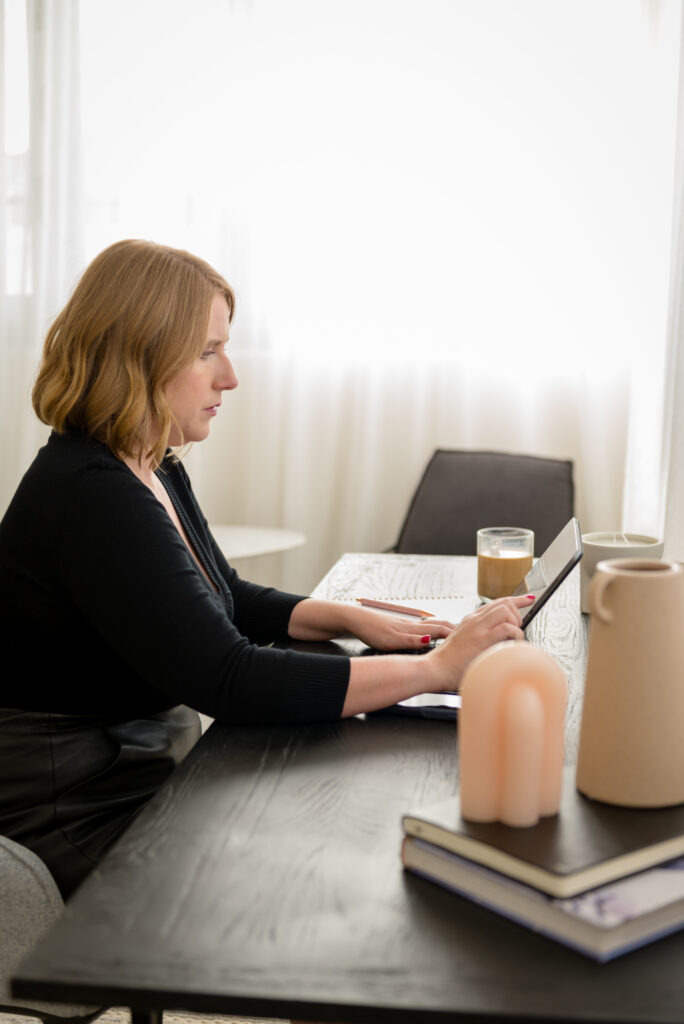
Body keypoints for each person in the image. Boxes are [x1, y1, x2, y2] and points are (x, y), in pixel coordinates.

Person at [0, 239, 529, 899]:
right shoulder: (90, 494)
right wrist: (434, 672)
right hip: (74, 803)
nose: (231, 376)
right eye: (207, 351)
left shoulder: (149, 462)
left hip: (138, 757)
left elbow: (225, 597)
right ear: (139, 356)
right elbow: (229, 677)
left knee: (324, 818)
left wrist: (348, 615)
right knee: (311, 864)